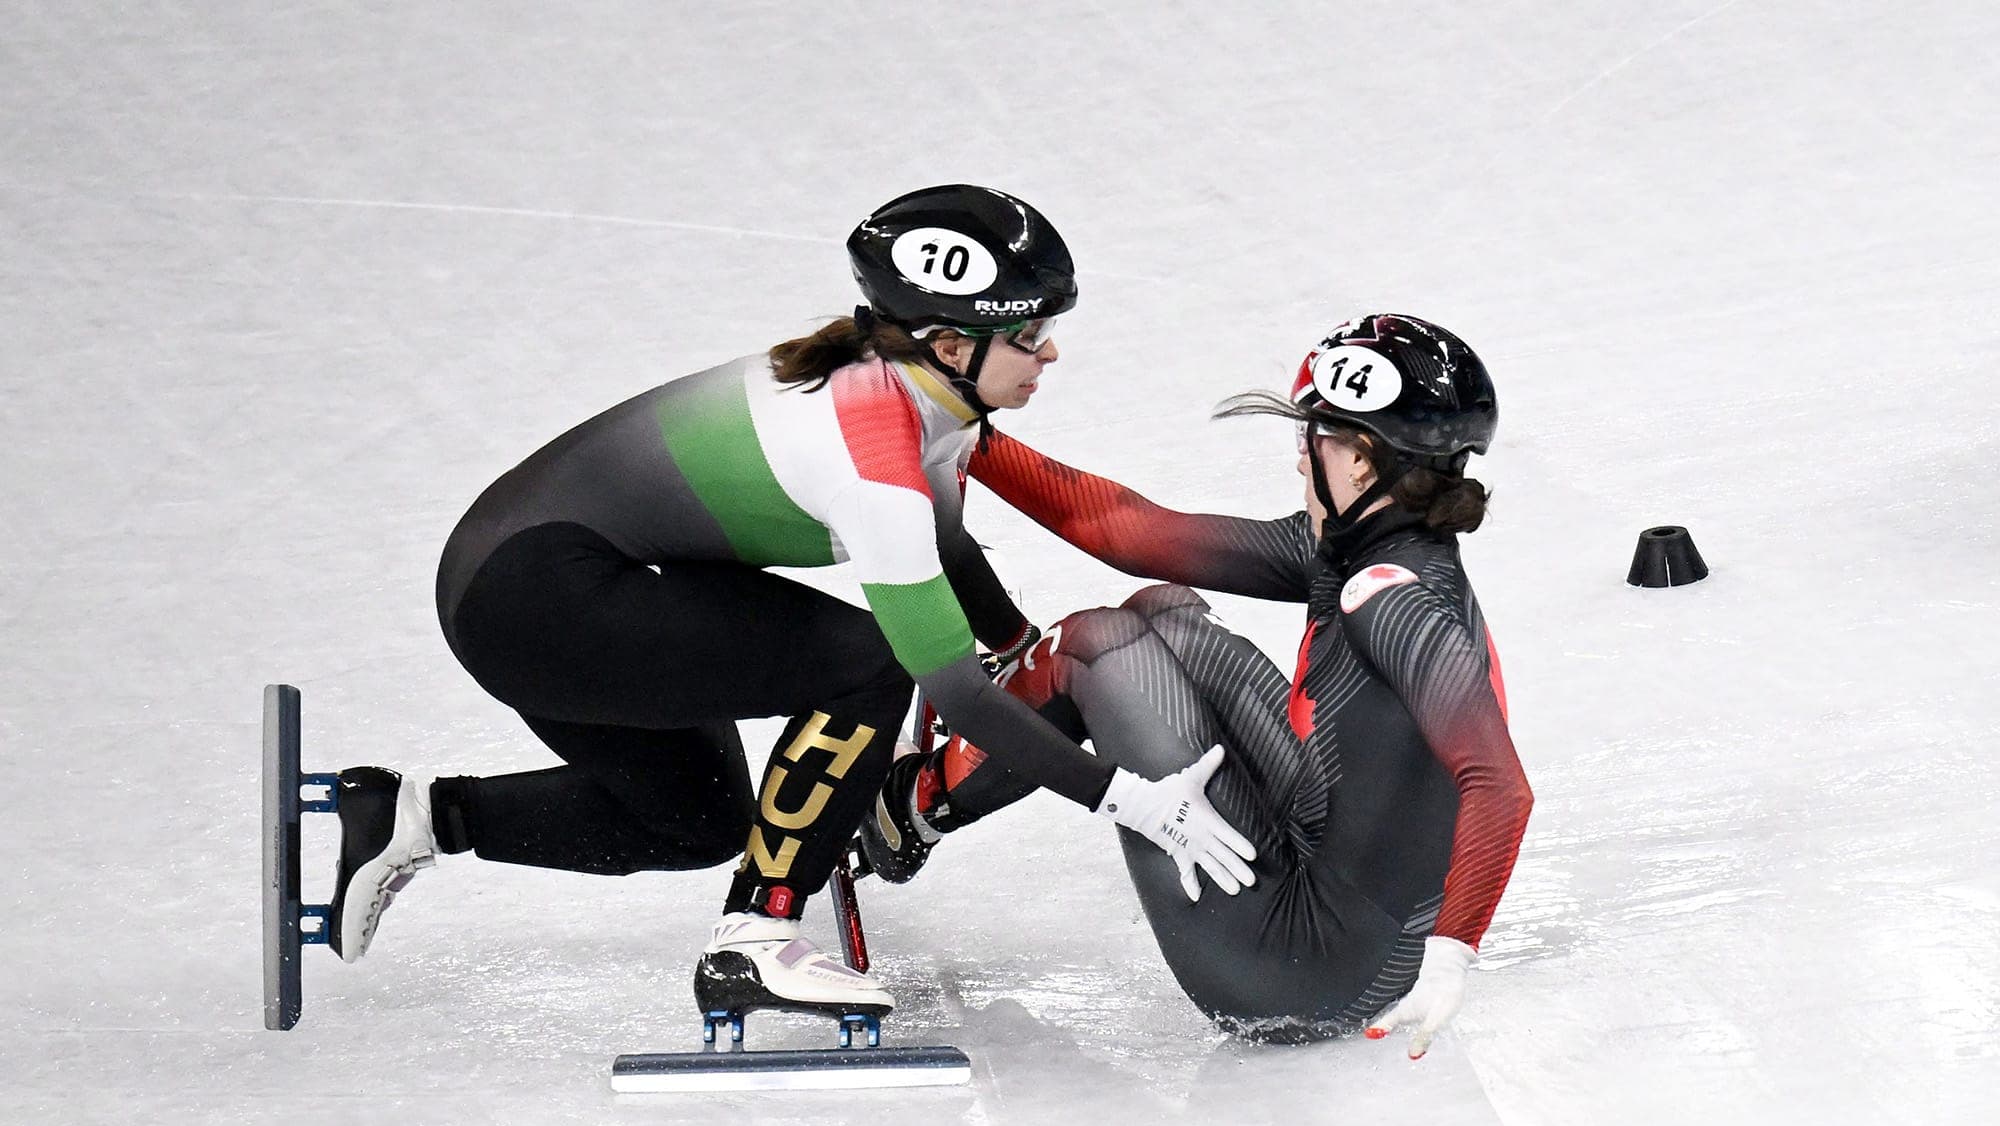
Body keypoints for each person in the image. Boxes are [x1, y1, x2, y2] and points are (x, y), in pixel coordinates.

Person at [326, 184, 1255, 1030]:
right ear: (948, 345)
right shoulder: (872, 455)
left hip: (551, 575)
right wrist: (1131, 799)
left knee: (701, 821)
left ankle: (416, 817)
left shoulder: (920, 398)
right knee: (871, 663)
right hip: (534, 597)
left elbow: (969, 542)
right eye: (1028, 334)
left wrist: (1016, 642)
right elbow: (958, 695)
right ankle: (755, 943)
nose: (1050, 350)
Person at [856, 314, 1532, 1054]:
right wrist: (961, 429)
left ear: (1363, 462)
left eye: (1312, 439)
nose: (1301, 462)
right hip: (1337, 885)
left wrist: (1452, 955)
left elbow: (1500, 785)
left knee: (1092, 645)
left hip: (1302, 974)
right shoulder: (1361, 545)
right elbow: (1131, 532)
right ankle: (993, 736)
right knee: (1162, 612)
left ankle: (911, 813)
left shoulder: (1389, 596)